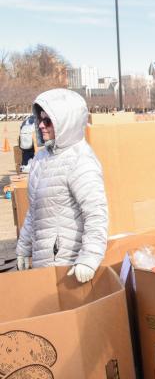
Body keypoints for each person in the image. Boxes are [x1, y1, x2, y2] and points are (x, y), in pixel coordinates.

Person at [16, 89, 108, 283]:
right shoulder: (41, 158)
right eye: (40, 119)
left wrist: (89, 259)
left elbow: (96, 214)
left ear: (66, 122)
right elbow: (34, 211)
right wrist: (23, 247)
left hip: (69, 269)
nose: (41, 125)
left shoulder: (81, 161)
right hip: (45, 265)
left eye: (48, 120)